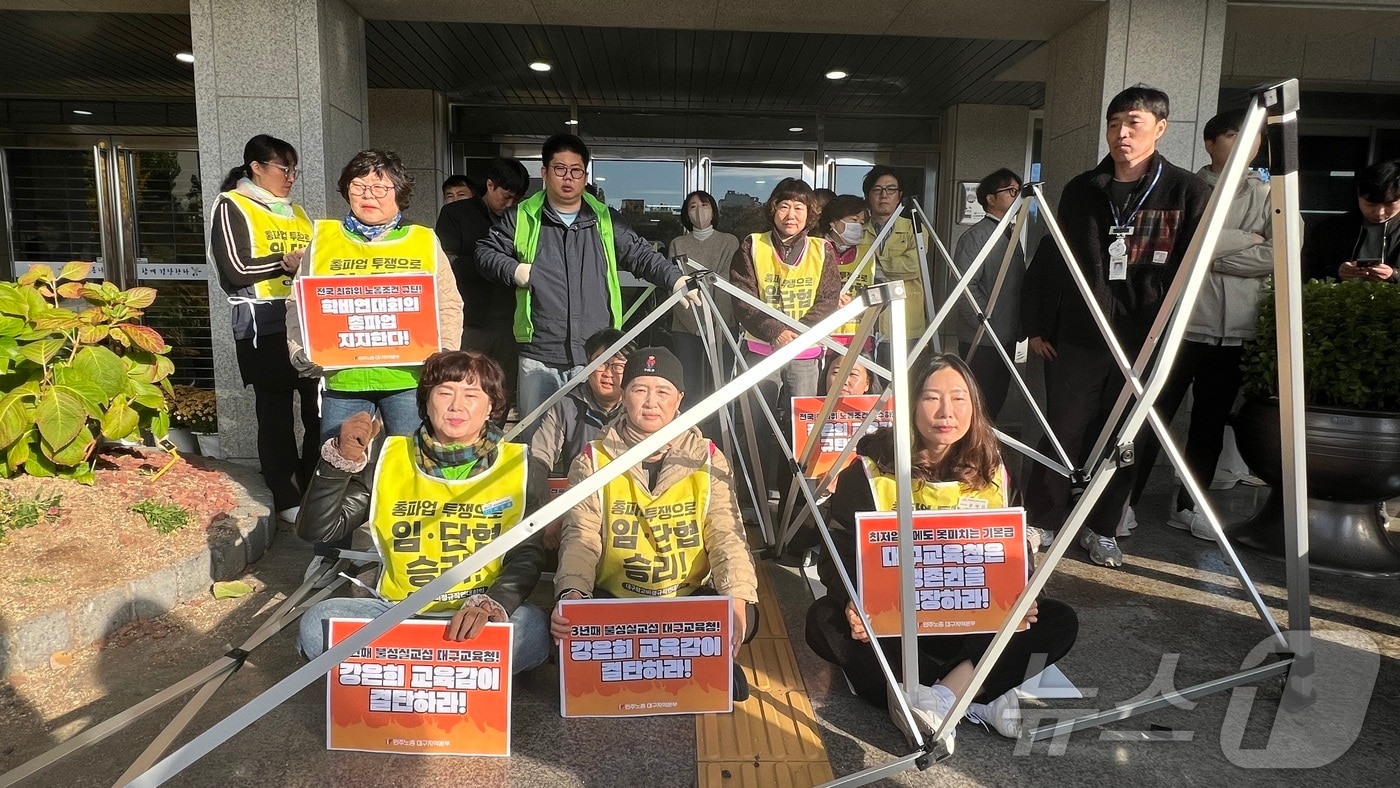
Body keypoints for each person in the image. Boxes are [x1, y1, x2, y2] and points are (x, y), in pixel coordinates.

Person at [804, 354, 1078, 752]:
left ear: (975, 407)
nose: (946, 411)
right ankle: (980, 691)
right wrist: (853, 602)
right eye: (932, 398)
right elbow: (838, 556)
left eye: (959, 398)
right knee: (823, 621)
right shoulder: (866, 473)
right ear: (912, 404)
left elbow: (1016, 553)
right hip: (898, 633)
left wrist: (1025, 593)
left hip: (971, 627)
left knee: (1057, 620)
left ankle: (943, 700)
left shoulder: (996, 472)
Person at [1019, 84, 1210, 568]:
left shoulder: (1187, 191)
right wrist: (1040, 323)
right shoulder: (1082, 189)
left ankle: (1103, 527)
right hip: (1082, 336)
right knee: (1062, 427)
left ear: (1160, 129)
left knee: (1124, 437)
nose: (1122, 134)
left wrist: (1165, 335)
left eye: (1134, 124)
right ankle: (1041, 518)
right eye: (1114, 124)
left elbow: (1191, 268)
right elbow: (1056, 261)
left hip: (1144, 340)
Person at [295, 350, 551, 675]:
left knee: (532, 629)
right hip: (395, 613)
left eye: (471, 395)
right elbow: (317, 531)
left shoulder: (521, 465)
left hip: (476, 615)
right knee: (317, 624)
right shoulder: (389, 459)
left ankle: (403, 667)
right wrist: (337, 463)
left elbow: (526, 554)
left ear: (491, 406)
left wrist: (493, 602)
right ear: (426, 402)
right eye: (445, 392)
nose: (456, 405)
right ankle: (453, 667)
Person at [549, 347, 760, 699]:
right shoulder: (593, 458)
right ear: (623, 394)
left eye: (662, 391)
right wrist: (572, 594)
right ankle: (690, 659)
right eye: (639, 389)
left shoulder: (707, 456)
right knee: (560, 626)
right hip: (617, 598)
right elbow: (581, 536)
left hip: (687, 596)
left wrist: (735, 598)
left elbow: (727, 533)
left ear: (679, 399)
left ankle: (694, 655)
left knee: (747, 617)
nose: (651, 402)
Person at [475, 134, 693, 439]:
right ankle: (538, 490)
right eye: (560, 169)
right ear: (545, 173)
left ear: (585, 175)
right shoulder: (522, 216)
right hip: (540, 353)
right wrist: (516, 270)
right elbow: (484, 252)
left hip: (595, 355)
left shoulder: (603, 218)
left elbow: (639, 253)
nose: (568, 178)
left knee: (596, 443)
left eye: (576, 170)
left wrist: (674, 279)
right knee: (535, 442)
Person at [1124, 109, 1273, 539]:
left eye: (1254, 137)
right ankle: (1123, 502)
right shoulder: (1181, 190)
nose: (1246, 143)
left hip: (1236, 328)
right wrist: (1247, 238)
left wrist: (1207, 251)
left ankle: (1192, 505)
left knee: (1210, 421)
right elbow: (1168, 249)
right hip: (1182, 325)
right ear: (1210, 143)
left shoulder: (1268, 194)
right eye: (1233, 135)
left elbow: (1278, 254)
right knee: (1153, 415)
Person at [287, 148, 464, 440]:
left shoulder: (422, 240)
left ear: (399, 193)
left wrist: (443, 354)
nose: (369, 195)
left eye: (381, 187)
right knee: (339, 464)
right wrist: (298, 349)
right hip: (344, 381)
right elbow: (297, 304)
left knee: (411, 465)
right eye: (359, 185)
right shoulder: (323, 241)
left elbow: (448, 303)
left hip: (408, 378)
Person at [209, 134, 319, 523]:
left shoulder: (299, 213)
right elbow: (234, 270)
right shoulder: (231, 205)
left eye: (294, 170)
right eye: (282, 169)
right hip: (262, 325)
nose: (290, 178)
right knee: (275, 414)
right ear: (256, 167)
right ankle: (286, 496)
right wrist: (284, 263)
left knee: (318, 410)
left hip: (306, 322)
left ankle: (314, 490)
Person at [729, 178, 842, 499]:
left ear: (810, 213)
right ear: (773, 209)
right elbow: (742, 297)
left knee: (802, 430)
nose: (791, 214)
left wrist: (798, 335)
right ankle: (755, 497)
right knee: (758, 427)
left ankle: (796, 497)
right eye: (784, 205)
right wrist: (775, 332)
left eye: (799, 207)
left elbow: (828, 300)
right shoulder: (752, 245)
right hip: (761, 353)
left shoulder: (823, 250)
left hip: (806, 357)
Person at [528, 328, 634, 548]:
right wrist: (544, 513)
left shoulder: (639, 407)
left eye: (618, 366)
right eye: (601, 362)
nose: (608, 373)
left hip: (629, 507)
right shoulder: (565, 405)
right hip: (578, 505)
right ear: (587, 365)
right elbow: (539, 457)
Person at [436, 157, 530, 405]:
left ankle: (495, 440)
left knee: (502, 391)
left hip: (510, 319)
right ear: (489, 185)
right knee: (466, 387)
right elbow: (447, 264)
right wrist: (496, 266)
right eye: (505, 196)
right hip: (471, 319)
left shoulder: (522, 218)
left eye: (516, 199)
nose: (510, 204)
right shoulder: (456, 213)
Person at [953, 169, 1025, 419]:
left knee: (996, 403)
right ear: (991, 198)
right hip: (981, 338)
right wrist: (987, 322)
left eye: (1019, 191)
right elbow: (964, 289)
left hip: (1006, 336)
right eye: (1011, 191)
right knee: (979, 404)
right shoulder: (976, 237)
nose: (1017, 197)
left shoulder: (1012, 234)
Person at [668, 190, 740, 402]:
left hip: (722, 325)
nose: (699, 211)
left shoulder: (729, 242)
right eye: (692, 207)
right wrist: (695, 325)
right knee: (689, 384)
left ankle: (720, 432)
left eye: (704, 205)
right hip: (685, 326)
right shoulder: (678, 244)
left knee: (720, 385)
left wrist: (719, 322)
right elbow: (675, 286)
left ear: (714, 210)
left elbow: (727, 284)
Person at [1303, 159, 1400, 284]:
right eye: (1371, 204)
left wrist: (1394, 275)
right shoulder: (1330, 230)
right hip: (1338, 301)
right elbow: (1304, 272)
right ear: (1358, 196)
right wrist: (1337, 273)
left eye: (1389, 204)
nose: (1380, 212)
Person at [862, 166, 926, 344]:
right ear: (867, 196)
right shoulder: (858, 230)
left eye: (891, 189)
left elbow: (914, 267)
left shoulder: (915, 228)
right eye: (877, 189)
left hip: (905, 324)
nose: (884, 195)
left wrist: (875, 262)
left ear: (899, 196)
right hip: (866, 323)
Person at [819, 194, 873, 343]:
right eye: (854, 221)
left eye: (862, 223)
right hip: (821, 338)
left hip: (859, 338)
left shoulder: (869, 255)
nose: (858, 227)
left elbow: (880, 296)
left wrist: (857, 303)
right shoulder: (814, 250)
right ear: (833, 222)